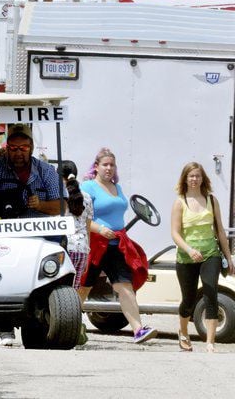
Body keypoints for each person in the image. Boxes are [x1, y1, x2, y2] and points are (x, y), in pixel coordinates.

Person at [0, 124, 63, 346]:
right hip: (5, 230)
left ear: (31, 148)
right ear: (6, 149)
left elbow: (60, 206)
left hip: (39, 233)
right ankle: (4, 324)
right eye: (13, 148)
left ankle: (49, 310)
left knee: (56, 260)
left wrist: (40, 204)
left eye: (23, 147)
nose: (18, 152)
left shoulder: (46, 171)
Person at [79, 148, 156, 344]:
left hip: (116, 245)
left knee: (125, 286)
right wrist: (99, 229)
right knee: (84, 288)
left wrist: (112, 232)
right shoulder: (87, 187)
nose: (109, 168)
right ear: (96, 167)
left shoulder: (117, 188)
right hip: (94, 245)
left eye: (112, 165)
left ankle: (138, 330)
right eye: (105, 164)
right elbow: (79, 217)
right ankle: (70, 324)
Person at [170, 162, 234, 352]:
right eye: (191, 176)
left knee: (210, 292)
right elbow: (175, 233)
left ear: (203, 178)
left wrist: (229, 257)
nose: (194, 179)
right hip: (186, 257)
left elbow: (220, 231)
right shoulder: (180, 202)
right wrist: (189, 250)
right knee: (188, 300)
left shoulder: (211, 200)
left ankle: (210, 342)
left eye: (197, 176)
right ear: (185, 179)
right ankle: (183, 332)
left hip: (210, 254)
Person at [59, 160, 93, 346]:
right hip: (81, 249)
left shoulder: (59, 196)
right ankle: (76, 328)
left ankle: (64, 328)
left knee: (60, 292)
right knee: (75, 292)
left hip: (65, 247)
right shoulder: (86, 197)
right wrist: (88, 251)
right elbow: (87, 226)